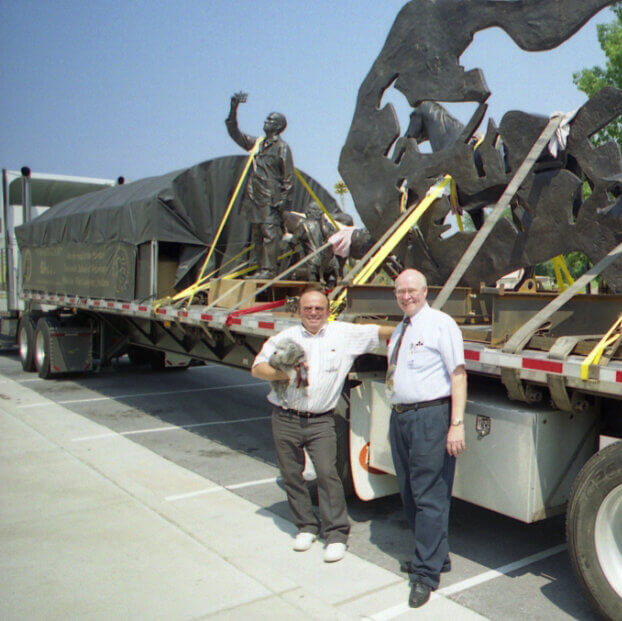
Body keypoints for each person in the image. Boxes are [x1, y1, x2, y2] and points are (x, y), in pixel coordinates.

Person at [252, 286, 392, 562]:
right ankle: (305, 526)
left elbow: (378, 331)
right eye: (308, 308)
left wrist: (414, 326)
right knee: (292, 474)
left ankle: (336, 534)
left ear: (328, 311)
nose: (313, 313)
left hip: (321, 421)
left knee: (328, 476)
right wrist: (284, 374)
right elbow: (257, 368)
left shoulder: (343, 334)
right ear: (299, 311)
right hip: (286, 417)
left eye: (319, 308)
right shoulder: (285, 338)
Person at [387, 268, 467, 608]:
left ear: (425, 291)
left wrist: (457, 423)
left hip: (430, 417)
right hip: (401, 417)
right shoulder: (399, 329)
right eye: (400, 291)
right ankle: (435, 556)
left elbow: (458, 374)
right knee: (408, 491)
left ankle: (424, 574)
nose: (407, 296)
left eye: (412, 290)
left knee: (429, 494)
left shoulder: (441, 324)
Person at [226, 91, 294, 278]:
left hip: (270, 199)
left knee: (269, 234)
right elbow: (234, 133)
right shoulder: (257, 144)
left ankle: (268, 270)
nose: (266, 121)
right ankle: (260, 268)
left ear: (278, 126)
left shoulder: (282, 147)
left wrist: (283, 201)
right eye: (266, 119)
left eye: (270, 120)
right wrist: (233, 109)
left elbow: (289, 177)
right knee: (257, 235)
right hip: (255, 197)